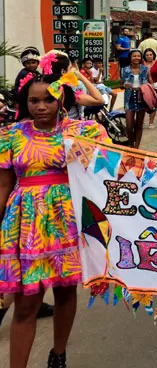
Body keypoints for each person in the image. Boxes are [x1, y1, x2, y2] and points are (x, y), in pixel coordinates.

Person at [0, 70, 110, 368]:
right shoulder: (11, 135)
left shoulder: (83, 133)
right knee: (25, 306)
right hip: (26, 227)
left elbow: (109, 172)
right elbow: (3, 186)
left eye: (48, 99)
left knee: (65, 292)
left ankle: (58, 354)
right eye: (34, 100)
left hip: (69, 221)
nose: (41, 106)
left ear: (62, 99)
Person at [121, 49, 149, 148]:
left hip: (142, 97)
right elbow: (121, 84)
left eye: (138, 56)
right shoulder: (125, 69)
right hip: (129, 98)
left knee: (139, 124)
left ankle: (136, 147)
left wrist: (145, 87)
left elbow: (150, 83)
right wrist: (125, 85)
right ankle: (131, 143)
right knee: (129, 125)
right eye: (134, 56)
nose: (136, 58)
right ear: (130, 58)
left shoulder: (145, 69)